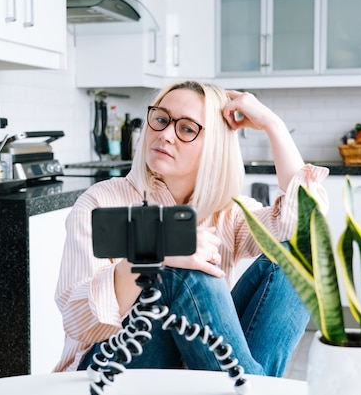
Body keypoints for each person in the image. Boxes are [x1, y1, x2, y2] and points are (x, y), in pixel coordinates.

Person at [53, 80, 329, 377]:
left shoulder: (229, 213)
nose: (165, 135)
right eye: (160, 120)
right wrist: (157, 254)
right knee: (182, 264)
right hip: (103, 370)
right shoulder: (101, 202)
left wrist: (274, 125)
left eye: (186, 129)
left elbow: (306, 227)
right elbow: (77, 320)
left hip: (194, 373)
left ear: (214, 147)